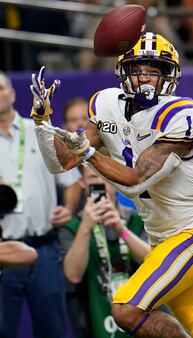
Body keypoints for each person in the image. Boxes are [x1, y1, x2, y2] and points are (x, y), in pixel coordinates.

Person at [30, 32, 193, 338]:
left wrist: (88, 153)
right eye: (138, 69)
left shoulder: (180, 114)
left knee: (126, 309)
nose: (145, 78)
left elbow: (134, 181)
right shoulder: (106, 104)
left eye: (154, 70)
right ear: (124, 72)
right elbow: (60, 163)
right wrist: (41, 119)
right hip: (161, 239)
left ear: (168, 76)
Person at [0, 70, 79, 338]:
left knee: (53, 328)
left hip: (44, 246)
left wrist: (67, 208)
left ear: (12, 93)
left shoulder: (39, 129)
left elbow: (70, 179)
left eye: (1, 88)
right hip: (3, 250)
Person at [59, 165, 151, 338]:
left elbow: (154, 262)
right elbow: (72, 275)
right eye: (94, 178)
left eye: (106, 177)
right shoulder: (72, 228)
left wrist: (120, 229)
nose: (101, 183)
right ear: (83, 182)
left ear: (116, 182)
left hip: (139, 312)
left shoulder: (140, 220)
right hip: (93, 314)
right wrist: (86, 226)